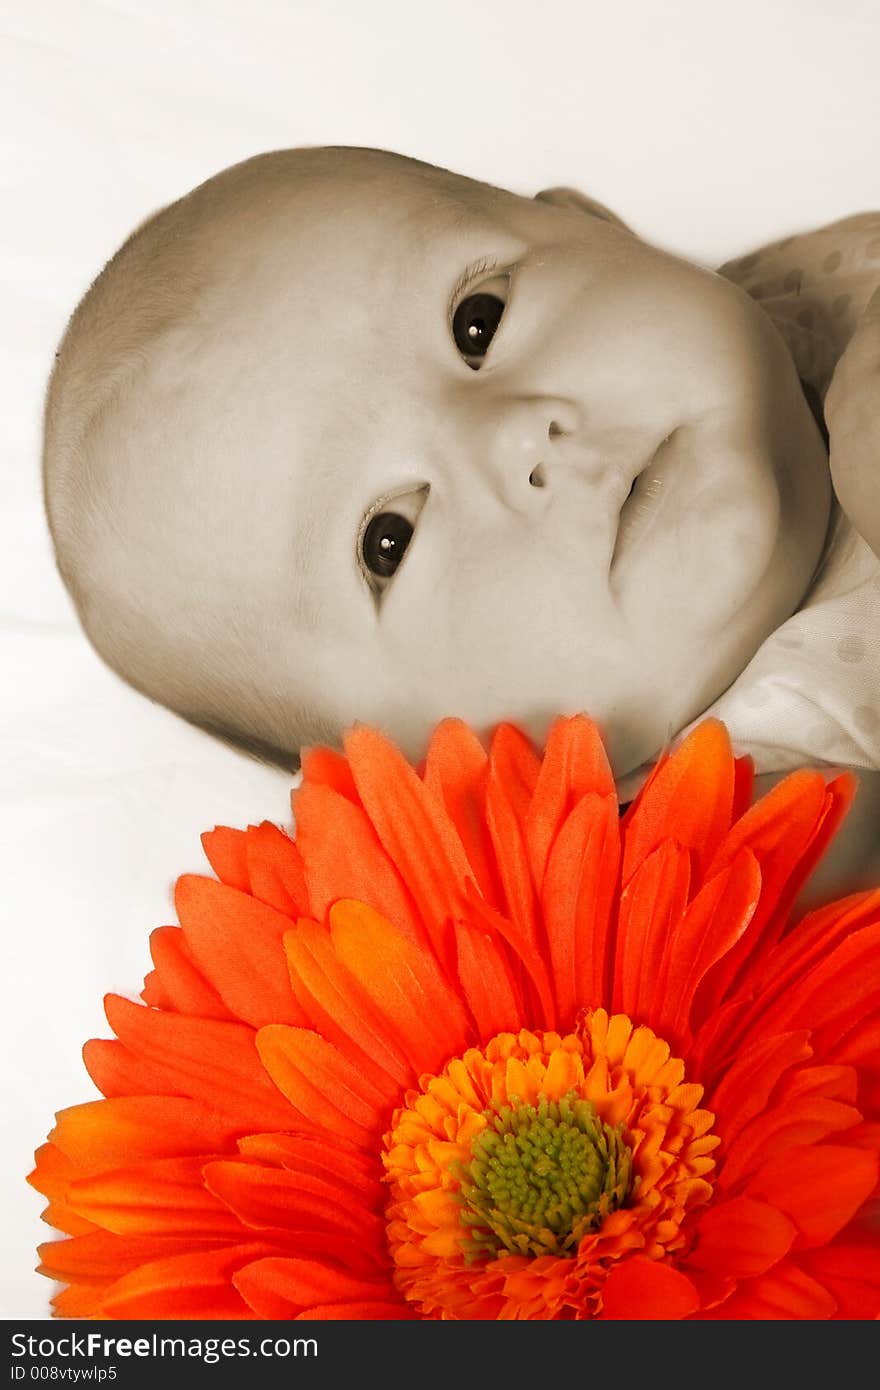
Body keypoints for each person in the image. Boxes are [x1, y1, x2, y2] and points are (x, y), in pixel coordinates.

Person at [42, 146, 880, 897]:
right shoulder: (718, 880)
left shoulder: (841, 295)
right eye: (390, 541)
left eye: (477, 321)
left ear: (594, 227)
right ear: (422, 781)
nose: (516, 434)